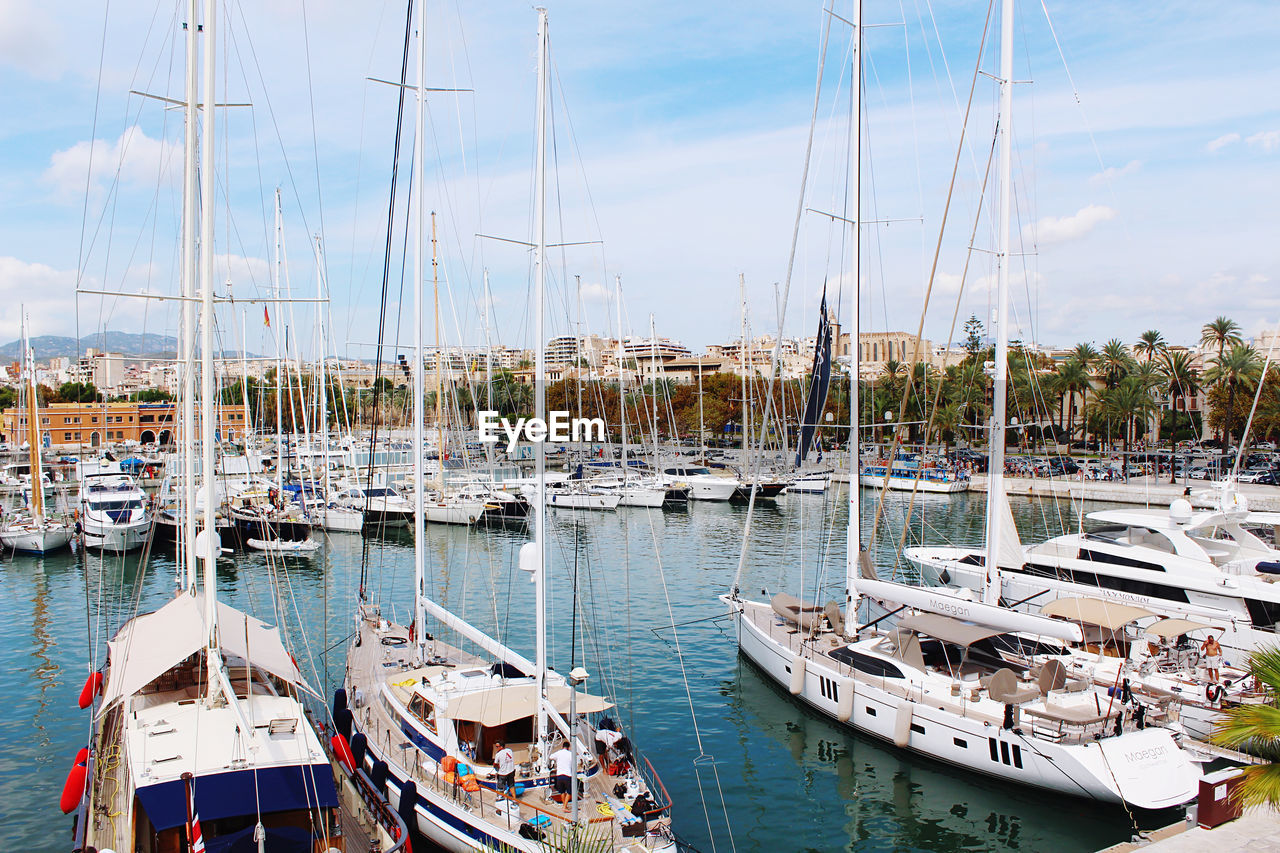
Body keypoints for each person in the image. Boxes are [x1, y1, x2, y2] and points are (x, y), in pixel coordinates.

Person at [550, 741, 573, 807]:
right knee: (569, 792)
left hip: (559, 775)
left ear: (562, 747)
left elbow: (551, 756)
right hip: (567, 775)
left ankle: (564, 806)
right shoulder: (571, 754)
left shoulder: (558, 753)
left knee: (562, 792)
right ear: (569, 748)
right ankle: (564, 807)